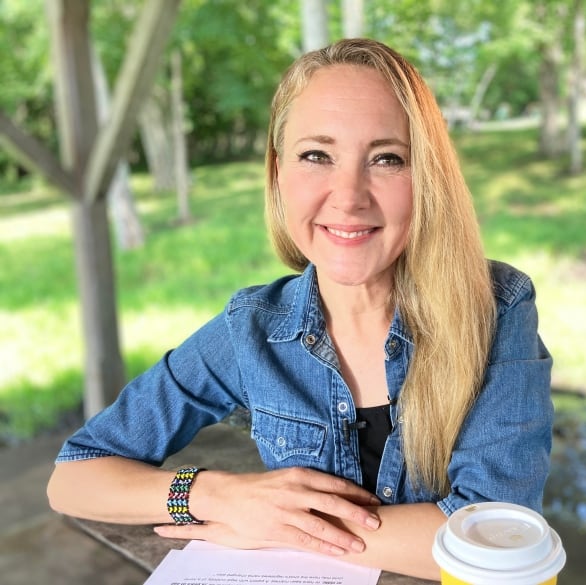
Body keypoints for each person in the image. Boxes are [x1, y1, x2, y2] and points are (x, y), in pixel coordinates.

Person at [47, 38, 553, 580]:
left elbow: (500, 540)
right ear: (277, 174)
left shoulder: (496, 309)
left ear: (427, 179)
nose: (348, 195)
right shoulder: (254, 329)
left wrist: (287, 527)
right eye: (317, 155)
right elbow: (74, 477)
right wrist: (218, 496)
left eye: (387, 158)